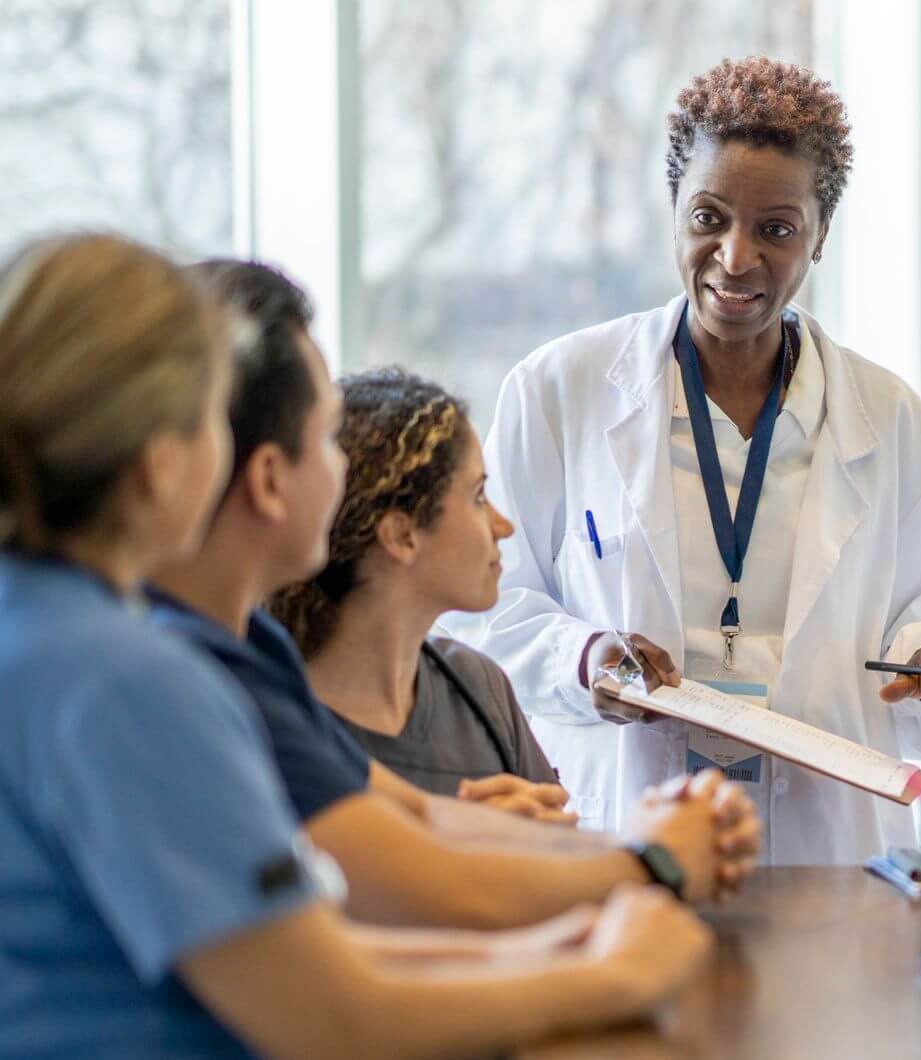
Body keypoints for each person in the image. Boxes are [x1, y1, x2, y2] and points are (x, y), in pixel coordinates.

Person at [0, 233, 707, 1057]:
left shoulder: (47, 628)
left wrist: (539, 952)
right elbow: (329, 1015)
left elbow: (289, 950)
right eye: (210, 424)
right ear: (162, 464)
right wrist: (617, 972)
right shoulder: (127, 679)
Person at [446, 56, 921, 859]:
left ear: (819, 238)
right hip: (624, 824)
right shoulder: (557, 391)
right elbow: (477, 611)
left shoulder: (893, 423)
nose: (735, 256)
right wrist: (582, 659)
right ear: (673, 212)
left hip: (828, 848)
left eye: (776, 229)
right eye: (708, 217)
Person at [154, 259, 758, 931]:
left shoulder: (253, 656)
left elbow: (416, 830)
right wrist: (654, 862)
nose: (341, 473)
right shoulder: (174, 682)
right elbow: (366, 956)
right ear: (268, 477)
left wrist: (523, 837)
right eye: (324, 439)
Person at [272, 368, 562, 802]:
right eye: (478, 497)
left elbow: (569, 851)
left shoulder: (478, 688)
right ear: (401, 535)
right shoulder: (276, 719)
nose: (502, 526)